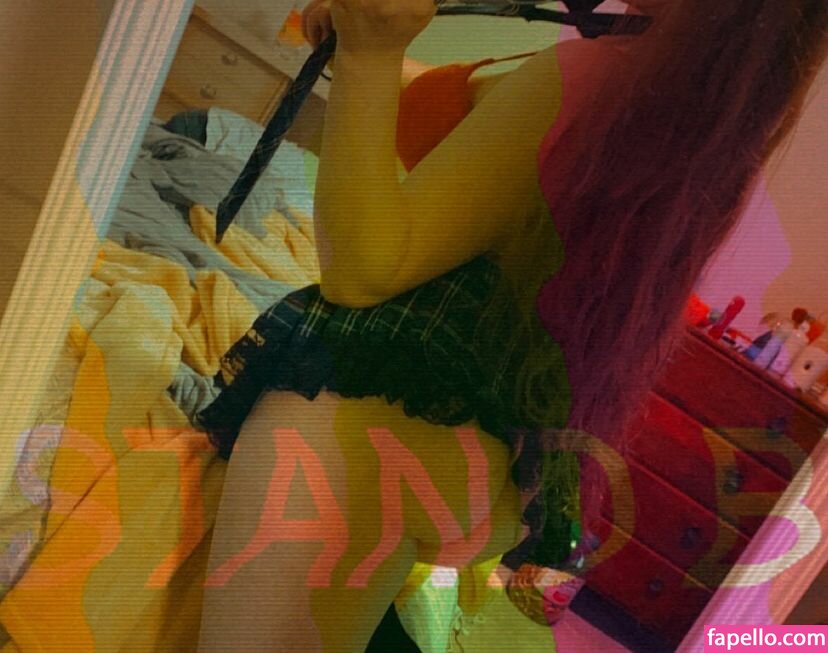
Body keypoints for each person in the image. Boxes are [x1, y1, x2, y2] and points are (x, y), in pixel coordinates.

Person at [197, 0, 828, 650]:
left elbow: (363, 270)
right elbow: (482, 119)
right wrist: (372, 46)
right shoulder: (690, 115)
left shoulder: (594, 74)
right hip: (479, 440)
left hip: (375, 415)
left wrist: (367, 57)